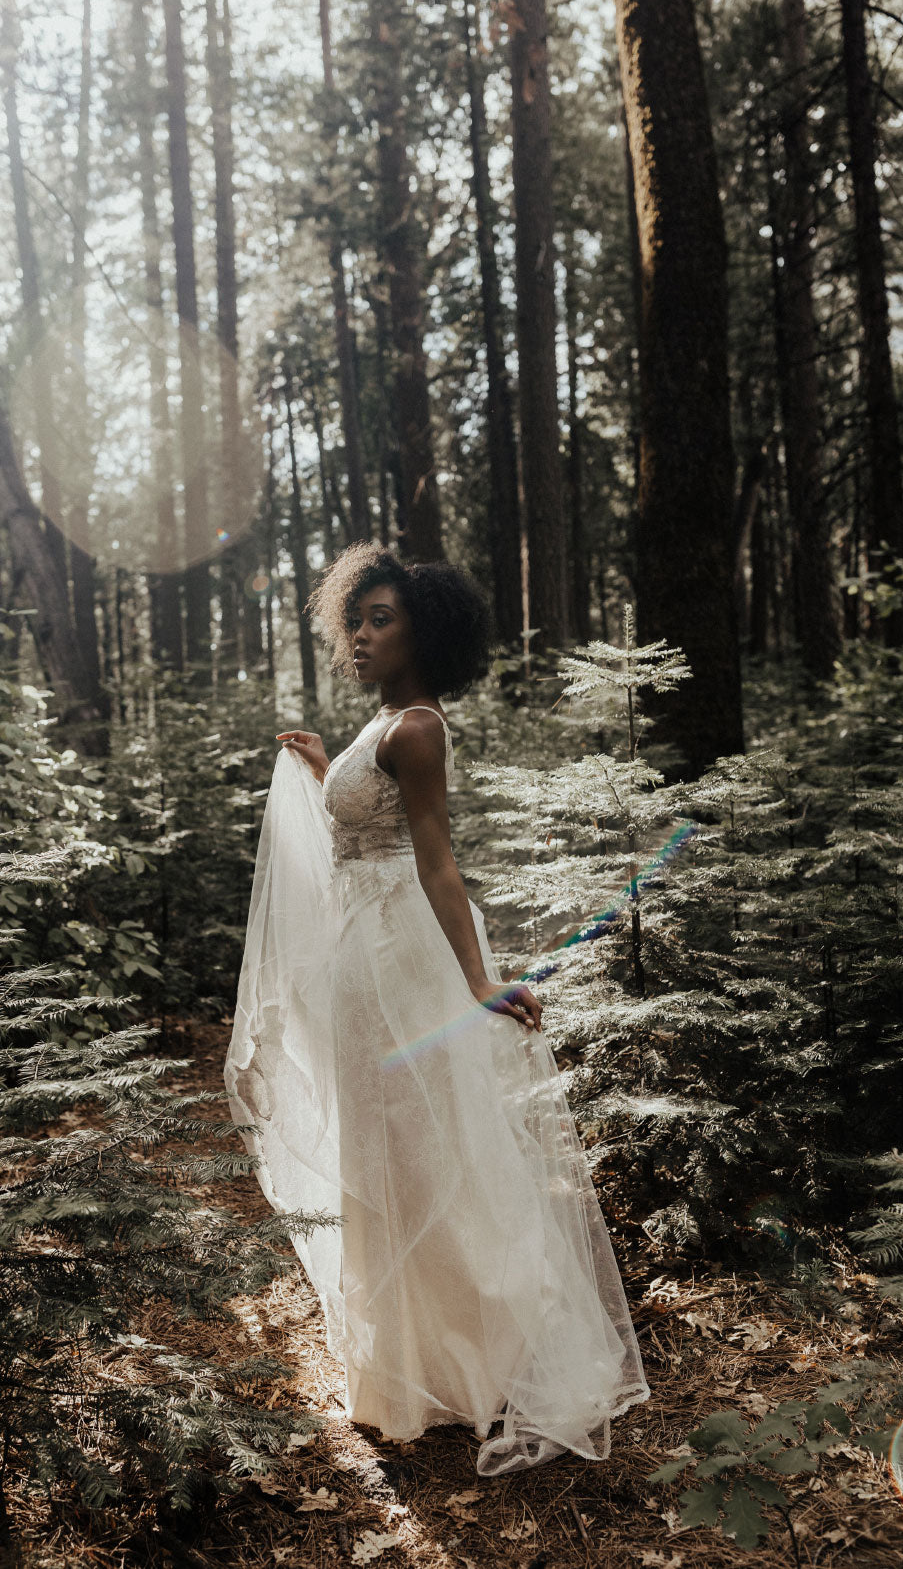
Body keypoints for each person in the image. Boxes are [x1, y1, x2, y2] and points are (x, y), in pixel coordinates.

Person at [225, 542, 650, 1476]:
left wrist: (477, 982)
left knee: (422, 1145)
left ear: (424, 632)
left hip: (400, 960)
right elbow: (369, 820)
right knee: (388, 1144)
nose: (363, 636)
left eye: (384, 620)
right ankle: (411, 1364)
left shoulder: (418, 729)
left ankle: (472, 1359)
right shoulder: (385, 726)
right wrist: (324, 764)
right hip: (363, 957)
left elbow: (436, 859)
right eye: (358, 620)